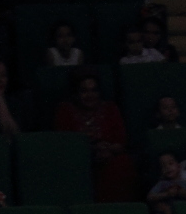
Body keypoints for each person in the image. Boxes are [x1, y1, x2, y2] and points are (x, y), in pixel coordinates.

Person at [54, 72, 134, 202]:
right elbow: (64, 143)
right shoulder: (65, 110)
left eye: (94, 90)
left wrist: (107, 148)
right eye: (84, 91)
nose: (90, 95)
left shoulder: (110, 108)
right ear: (76, 93)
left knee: (123, 163)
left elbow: (121, 142)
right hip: (79, 158)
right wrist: (92, 149)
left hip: (109, 156)